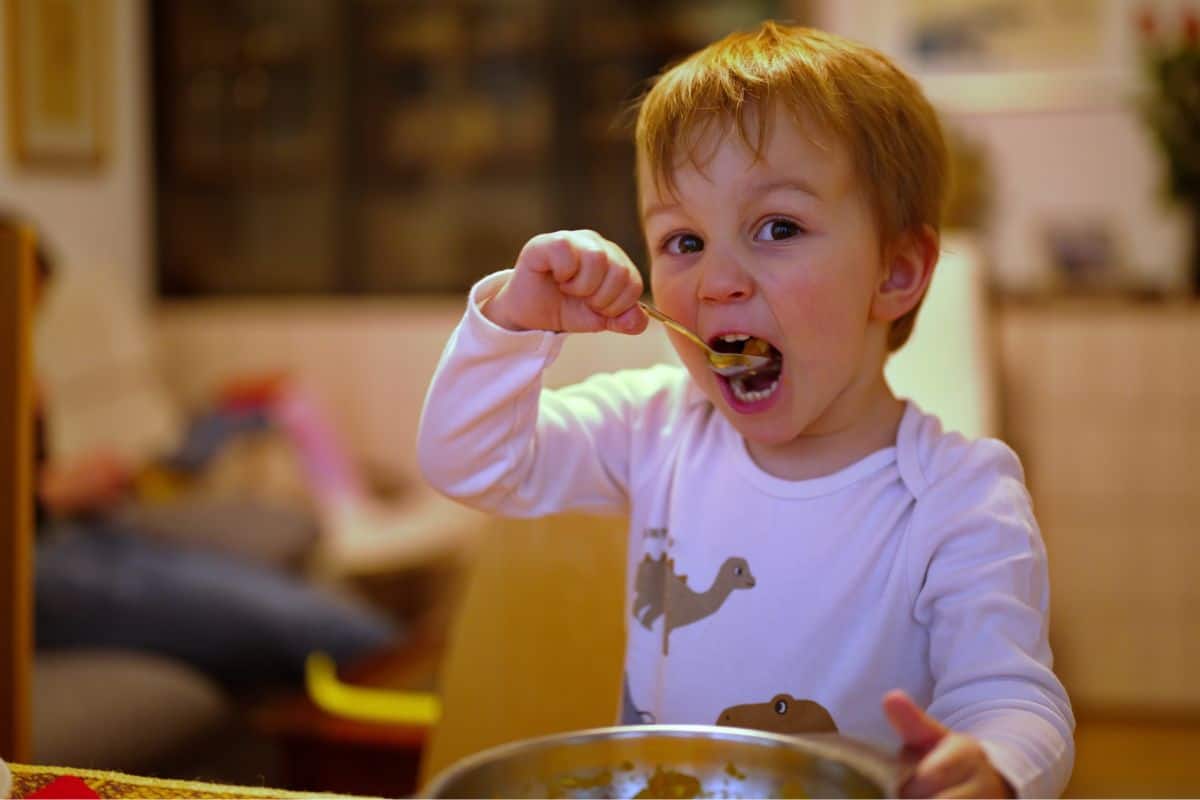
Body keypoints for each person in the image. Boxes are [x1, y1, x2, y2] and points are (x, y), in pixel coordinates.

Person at [417, 22, 1073, 799]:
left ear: (896, 271)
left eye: (778, 228)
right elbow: (470, 461)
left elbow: (1014, 700)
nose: (718, 280)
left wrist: (992, 768)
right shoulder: (653, 429)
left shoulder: (961, 499)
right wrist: (514, 322)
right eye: (683, 240)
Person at [20, 219, 397, 694]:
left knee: (289, 594)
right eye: (21, 302)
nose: (30, 319)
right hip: (34, 565)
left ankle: (392, 650)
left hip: (79, 526)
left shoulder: (22, 368)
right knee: (288, 619)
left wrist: (59, 480)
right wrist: (48, 494)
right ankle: (407, 681)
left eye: (36, 305)